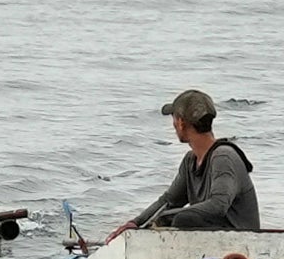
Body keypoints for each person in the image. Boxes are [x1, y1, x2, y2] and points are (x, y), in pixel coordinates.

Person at [108, 88, 259, 236]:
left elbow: (218, 205)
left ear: (180, 122)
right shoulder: (190, 161)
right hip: (212, 236)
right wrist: (136, 223)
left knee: (184, 219)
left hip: (240, 239)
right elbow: (169, 201)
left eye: (173, 117)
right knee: (173, 219)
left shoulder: (223, 157)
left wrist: (166, 217)